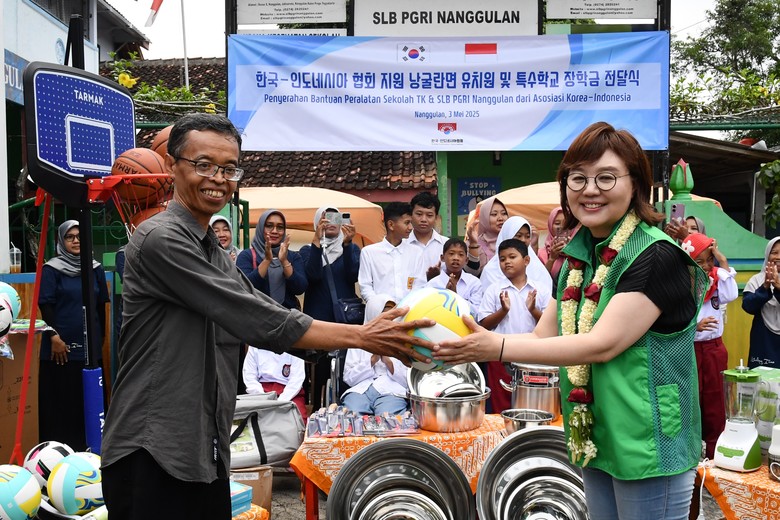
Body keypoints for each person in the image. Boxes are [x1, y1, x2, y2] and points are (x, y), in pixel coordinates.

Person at [100, 114, 433, 520]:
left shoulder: (209, 247)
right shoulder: (161, 239)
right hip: (152, 448)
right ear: (171, 166)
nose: (217, 179)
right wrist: (362, 337)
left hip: (202, 448)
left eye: (229, 169)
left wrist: (363, 337)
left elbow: (266, 309)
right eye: (203, 165)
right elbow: (254, 315)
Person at [434, 121, 707, 519]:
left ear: (635, 184)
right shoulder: (577, 258)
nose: (590, 190)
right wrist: (470, 341)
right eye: (578, 178)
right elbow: (542, 335)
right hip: (595, 434)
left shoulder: (655, 255)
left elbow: (602, 343)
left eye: (606, 177)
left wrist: (495, 347)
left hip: (647, 440)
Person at [38, 220, 110, 451]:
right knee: (62, 402)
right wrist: (54, 337)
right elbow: (45, 305)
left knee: (89, 400)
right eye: (70, 237)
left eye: (80, 236)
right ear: (61, 241)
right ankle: (59, 453)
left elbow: (100, 306)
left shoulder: (95, 268)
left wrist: (99, 339)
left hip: (89, 348)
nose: (76, 241)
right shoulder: (52, 269)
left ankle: (92, 451)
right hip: (60, 348)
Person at [681, 232, 737, 459]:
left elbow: (732, 294)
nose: (705, 266)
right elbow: (674, 320)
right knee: (692, 400)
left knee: (715, 400)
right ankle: (691, 454)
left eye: (709, 260)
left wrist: (722, 261)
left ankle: (714, 454)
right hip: (690, 350)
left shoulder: (715, 281)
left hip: (714, 349)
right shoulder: (681, 287)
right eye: (699, 261)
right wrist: (695, 326)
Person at [299, 206, 361, 409]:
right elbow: (313, 275)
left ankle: (346, 410)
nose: (331, 222)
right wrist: (317, 242)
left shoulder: (351, 248)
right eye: (326, 218)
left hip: (344, 320)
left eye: (336, 218)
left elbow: (353, 275)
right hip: (318, 320)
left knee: (345, 370)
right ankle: (318, 413)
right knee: (319, 372)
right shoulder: (307, 250)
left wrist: (348, 244)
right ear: (317, 222)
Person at [478, 239, 550, 413]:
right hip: (501, 356)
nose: (507, 262)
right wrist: (503, 311)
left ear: (526, 260)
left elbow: (550, 325)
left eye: (512, 257)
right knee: (500, 405)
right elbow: (484, 324)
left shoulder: (541, 289)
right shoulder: (494, 290)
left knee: (532, 405)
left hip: (533, 355)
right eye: (502, 259)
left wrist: (533, 310)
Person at [341, 295, 409, 415]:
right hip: (360, 390)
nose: (389, 322)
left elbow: (408, 381)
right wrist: (373, 360)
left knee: (389, 418)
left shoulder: (403, 341)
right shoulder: (357, 340)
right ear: (373, 316)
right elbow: (349, 378)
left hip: (391, 391)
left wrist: (388, 362)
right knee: (353, 415)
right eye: (384, 316)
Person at [236, 209, 307, 310]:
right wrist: (267, 260)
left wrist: (284, 261)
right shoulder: (247, 256)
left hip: (287, 317)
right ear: (261, 228)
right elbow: (244, 288)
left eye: (280, 227)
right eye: (269, 226)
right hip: (257, 316)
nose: (274, 231)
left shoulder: (293, 256)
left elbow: (300, 288)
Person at [358, 201, 424, 302]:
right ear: (391, 225)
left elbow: (420, 285)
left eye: (411, 223)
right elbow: (365, 287)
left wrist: (407, 306)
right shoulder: (369, 253)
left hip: (409, 309)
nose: (411, 227)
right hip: (380, 310)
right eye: (407, 223)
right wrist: (382, 306)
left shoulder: (416, 252)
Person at [480, 215, 552, 295]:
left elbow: (546, 296)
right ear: (507, 235)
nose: (523, 240)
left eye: (527, 236)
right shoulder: (491, 271)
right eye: (518, 236)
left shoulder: (537, 267)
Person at [743, 237, 780, 368]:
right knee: (762, 377)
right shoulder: (756, 280)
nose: (778, 257)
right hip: (764, 340)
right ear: (767, 255)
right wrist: (765, 287)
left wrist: (778, 288)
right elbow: (748, 306)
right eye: (774, 252)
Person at [243, 348, 307, 420]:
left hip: (290, 392)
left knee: (298, 420)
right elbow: (250, 376)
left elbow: (297, 378)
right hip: (261, 390)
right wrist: (263, 399)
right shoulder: (254, 345)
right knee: (252, 420)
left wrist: (280, 402)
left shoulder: (295, 345)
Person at [425, 238, 483, 311]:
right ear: (442, 258)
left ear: (466, 260)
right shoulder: (433, 284)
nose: (456, 258)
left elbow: (477, 312)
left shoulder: (474, 283)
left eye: (461, 255)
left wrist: (455, 297)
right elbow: (428, 309)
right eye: (451, 254)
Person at [407, 192, 448, 281]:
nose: (423, 219)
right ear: (411, 215)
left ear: (436, 218)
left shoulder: (446, 245)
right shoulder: (401, 244)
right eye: (419, 214)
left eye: (429, 215)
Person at [465, 195, 508, 276]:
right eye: (494, 214)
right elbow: (470, 275)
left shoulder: (514, 242)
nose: (500, 218)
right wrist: (473, 244)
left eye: (504, 213)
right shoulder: (471, 244)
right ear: (484, 217)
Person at [538, 207, 573, 279]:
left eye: (566, 223)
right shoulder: (541, 253)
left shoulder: (580, 251)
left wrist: (571, 254)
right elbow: (540, 279)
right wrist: (551, 259)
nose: (562, 227)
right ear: (550, 226)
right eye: (557, 223)